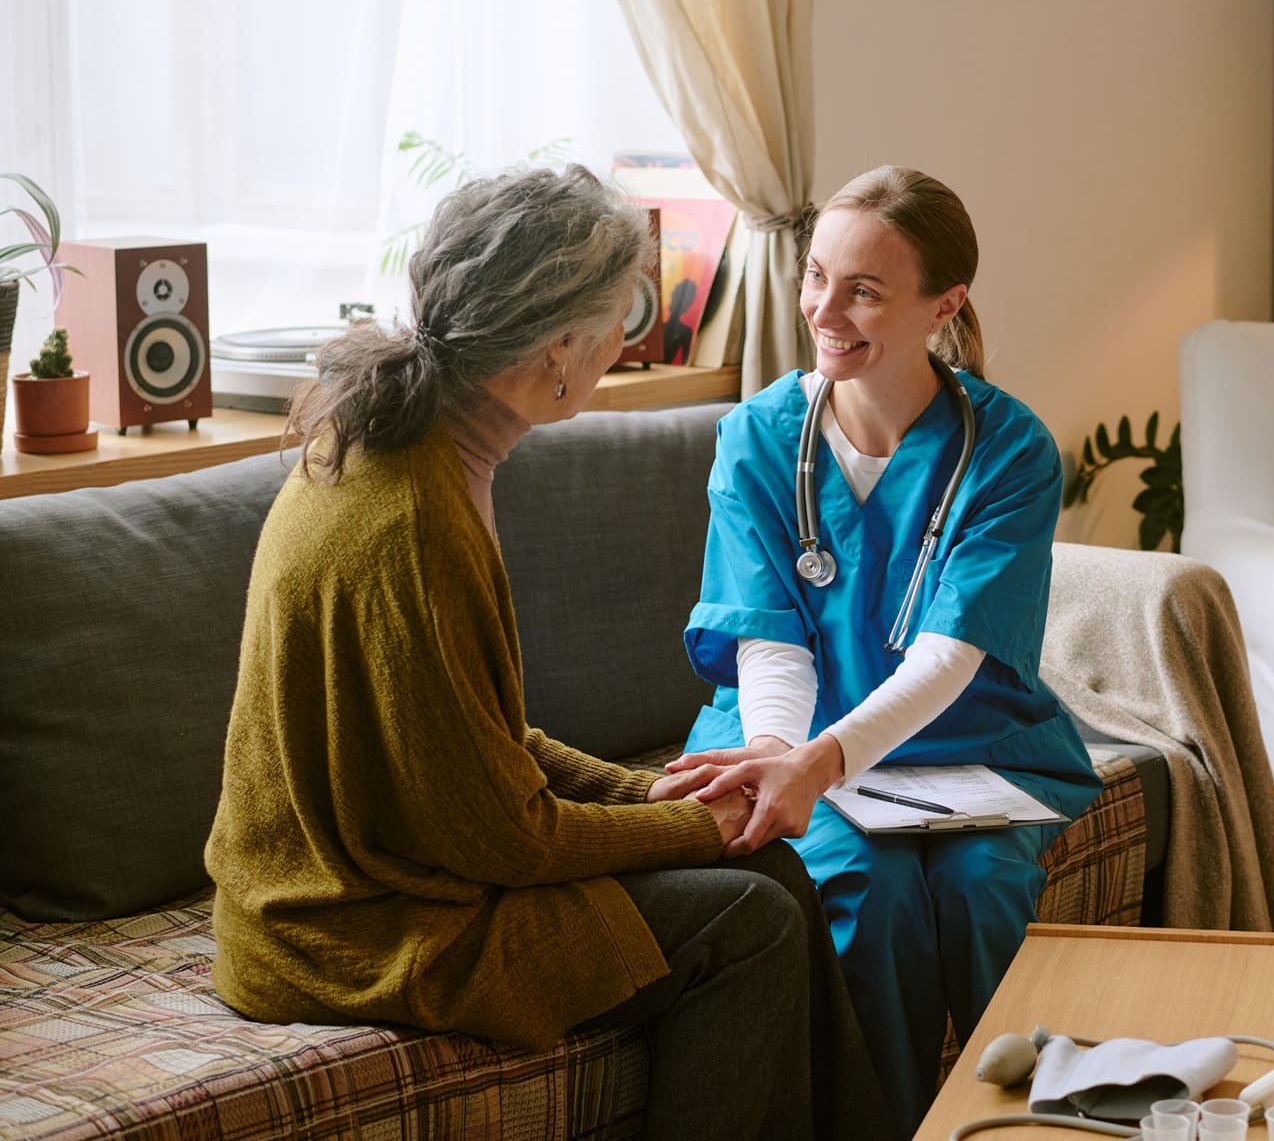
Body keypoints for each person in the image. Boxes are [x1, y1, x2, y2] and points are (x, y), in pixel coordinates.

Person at [203, 165, 886, 1141]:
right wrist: (704, 826)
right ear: (559, 346)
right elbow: (502, 838)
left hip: (387, 875)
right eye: (617, 318)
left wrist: (655, 791)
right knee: (751, 917)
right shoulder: (414, 515)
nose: (625, 340)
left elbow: (473, 735)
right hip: (347, 924)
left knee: (776, 876)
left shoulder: (410, 441)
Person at [667, 164, 1102, 1135]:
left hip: (967, 736)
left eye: (863, 288)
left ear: (944, 305)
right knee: (867, 888)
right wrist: (786, 755)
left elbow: (951, 656)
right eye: (816, 275)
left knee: (985, 885)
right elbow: (771, 639)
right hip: (791, 726)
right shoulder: (761, 435)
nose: (826, 308)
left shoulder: (1009, 449)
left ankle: (1020, 1123)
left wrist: (820, 762)